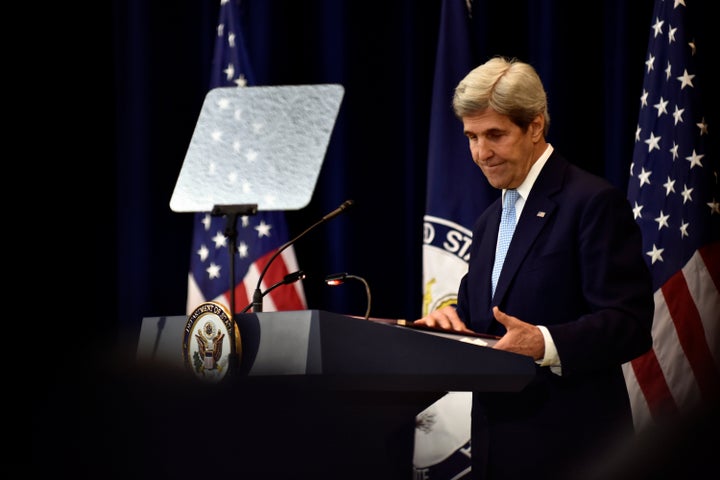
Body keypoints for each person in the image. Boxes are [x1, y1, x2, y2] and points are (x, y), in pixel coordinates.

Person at [414, 56, 654, 480]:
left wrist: (544, 343)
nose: (480, 153)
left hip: (578, 451)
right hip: (495, 451)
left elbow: (629, 323)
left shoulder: (591, 203)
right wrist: (447, 326)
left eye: (495, 135)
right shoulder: (490, 220)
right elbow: (484, 323)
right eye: (471, 137)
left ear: (535, 127)